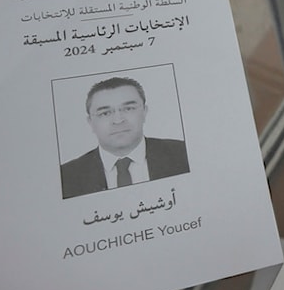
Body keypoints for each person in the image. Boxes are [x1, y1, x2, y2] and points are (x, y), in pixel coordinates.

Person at [60, 76, 189, 199]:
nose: (118, 120)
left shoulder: (184, 154)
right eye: (105, 113)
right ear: (90, 122)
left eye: (128, 109)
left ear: (144, 112)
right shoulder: (66, 176)